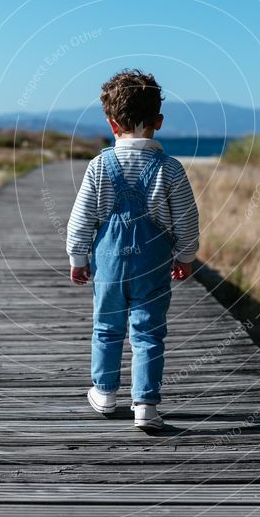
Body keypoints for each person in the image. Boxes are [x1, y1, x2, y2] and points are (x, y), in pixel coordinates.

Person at [66, 69, 200, 430]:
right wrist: (185, 257)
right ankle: (146, 405)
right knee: (148, 332)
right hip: (152, 266)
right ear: (158, 121)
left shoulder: (99, 166)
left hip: (108, 266)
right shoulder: (170, 169)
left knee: (106, 328)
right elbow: (187, 220)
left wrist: (78, 258)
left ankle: (105, 394)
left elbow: (81, 220)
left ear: (111, 124)